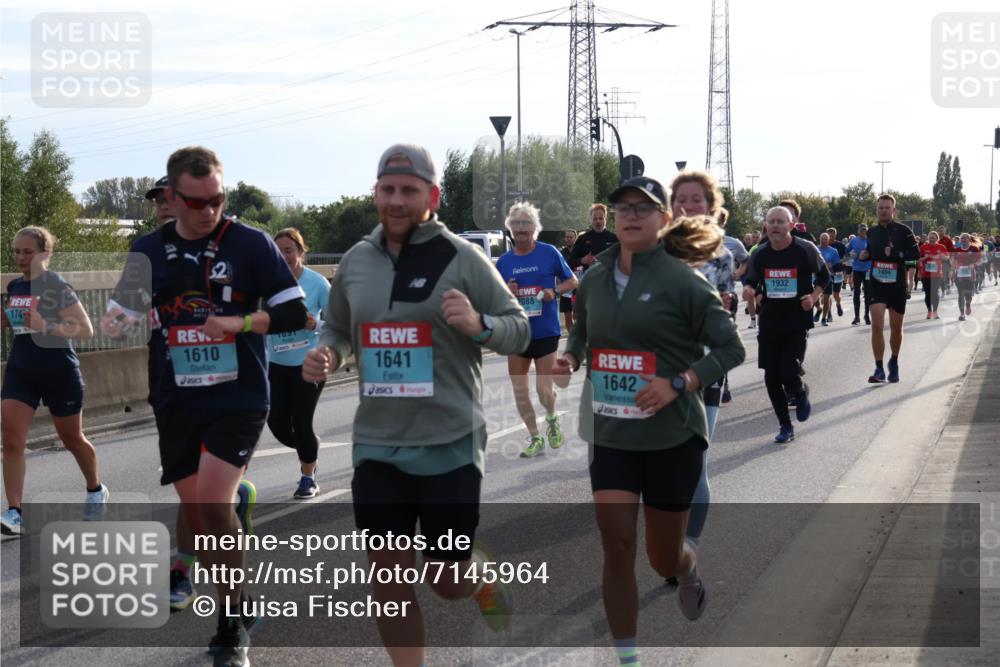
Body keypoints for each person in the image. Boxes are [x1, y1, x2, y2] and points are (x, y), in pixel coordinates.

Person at [302, 144, 530, 667]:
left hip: (450, 442)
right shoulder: (357, 260)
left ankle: (477, 576)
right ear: (375, 193)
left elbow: (519, 328)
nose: (397, 200)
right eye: (388, 189)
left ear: (433, 196)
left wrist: (479, 325)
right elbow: (338, 326)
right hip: (377, 444)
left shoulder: (463, 258)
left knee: (446, 581)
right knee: (388, 577)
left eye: (409, 190)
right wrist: (329, 353)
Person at [101, 146, 307, 667]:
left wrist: (240, 322)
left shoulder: (251, 243)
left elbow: (293, 314)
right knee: (200, 515)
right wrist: (120, 319)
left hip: (238, 394)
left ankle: (229, 626)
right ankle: (238, 599)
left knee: (214, 505)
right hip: (175, 396)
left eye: (218, 199)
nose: (210, 211)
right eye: (197, 202)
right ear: (172, 197)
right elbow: (121, 314)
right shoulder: (147, 250)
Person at [552, 176, 744, 667]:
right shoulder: (595, 278)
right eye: (623, 208)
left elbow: (730, 349)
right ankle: (628, 658)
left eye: (643, 208)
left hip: (671, 435)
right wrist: (570, 358)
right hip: (611, 432)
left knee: (664, 558)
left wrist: (679, 382)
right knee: (616, 546)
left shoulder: (684, 281)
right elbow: (583, 334)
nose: (631, 215)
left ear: (664, 218)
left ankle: (688, 570)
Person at [1, 227, 107, 536]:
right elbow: (12, 319)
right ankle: (15, 512)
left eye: (28, 251)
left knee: (72, 438)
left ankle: (96, 489)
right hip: (21, 370)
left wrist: (46, 325)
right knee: (11, 440)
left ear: (45, 254)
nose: (21, 257)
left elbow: (85, 329)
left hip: (58, 370)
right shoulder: (15, 286)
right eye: (17, 251)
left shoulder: (56, 285)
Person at [496, 202, 578, 458]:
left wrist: (554, 291)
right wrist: (506, 291)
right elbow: (494, 296)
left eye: (526, 223)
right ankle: (535, 437)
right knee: (520, 391)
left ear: (534, 227)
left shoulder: (549, 252)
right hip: (517, 333)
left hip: (544, 331)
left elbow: (572, 281)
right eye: (516, 224)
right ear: (511, 228)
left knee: (544, 391)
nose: (521, 228)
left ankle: (551, 418)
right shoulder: (504, 262)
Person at [742, 206, 829, 443]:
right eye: (771, 222)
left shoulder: (805, 249)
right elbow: (752, 280)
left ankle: (799, 392)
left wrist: (813, 297)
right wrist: (749, 289)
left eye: (781, 221)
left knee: (788, 372)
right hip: (770, 320)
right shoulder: (759, 253)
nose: (775, 226)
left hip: (796, 321)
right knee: (771, 378)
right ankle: (785, 426)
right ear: (766, 226)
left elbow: (824, 276)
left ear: (791, 225)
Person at [266, 228, 331, 498]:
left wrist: (316, 325)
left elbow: (340, 323)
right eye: (278, 251)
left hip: (309, 363)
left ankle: (308, 477)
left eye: (289, 250)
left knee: (302, 422)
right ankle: (309, 447)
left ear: (301, 252)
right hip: (276, 364)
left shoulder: (317, 283)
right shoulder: (266, 283)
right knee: (277, 424)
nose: (284, 256)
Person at [859, 194, 919, 384]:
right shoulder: (872, 232)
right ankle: (878, 368)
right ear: (876, 210)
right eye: (880, 208)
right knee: (876, 325)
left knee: (896, 327)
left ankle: (894, 361)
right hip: (877, 283)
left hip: (897, 284)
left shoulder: (904, 231)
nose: (883, 211)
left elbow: (915, 254)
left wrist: (896, 253)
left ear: (893, 210)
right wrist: (866, 254)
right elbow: (872, 251)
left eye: (887, 207)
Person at [570, 203, 618, 274]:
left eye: (601, 218)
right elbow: (570, 261)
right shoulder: (582, 239)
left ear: (605, 219)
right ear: (591, 220)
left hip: (609, 278)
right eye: (595, 219)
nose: (598, 221)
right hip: (588, 277)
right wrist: (582, 260)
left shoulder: (614, 239)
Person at [918, 231, 947, 319]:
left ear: (937, 239)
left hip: (937, 274)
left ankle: (935, 311)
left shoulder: (941, 247)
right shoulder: (923, 247)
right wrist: (925, 257)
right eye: (930, 238)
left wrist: (941, 256)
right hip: (926, 274)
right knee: (928, 293)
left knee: (935, 292)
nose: (931, 239)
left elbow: (947, 258)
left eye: (933, 238)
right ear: (928, 238)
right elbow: (918, 259)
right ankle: (929, 311)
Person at [952, 233, 978, 320]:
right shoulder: (957, 249)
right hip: (959, 275)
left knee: (968, 294)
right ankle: (962, 314)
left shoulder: (974, 248)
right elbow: (954, 261)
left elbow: (979, 260)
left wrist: (973, 264)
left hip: (970, 275)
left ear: (969, 239)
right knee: (960, 294)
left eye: (965, 238)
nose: (963, 240)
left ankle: (968, 304)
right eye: (962, 238)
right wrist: (952, 271)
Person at [817, 233, 841, 326]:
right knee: (816, 298)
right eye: (822, 239)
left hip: (828, 276)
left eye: (825, 239)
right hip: (817, 276)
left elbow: (837, 264)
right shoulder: (815, 249)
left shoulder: (833, 251)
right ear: (820, 239)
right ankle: (819, 309)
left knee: (826, 298)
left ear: (828, 240)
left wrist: (832, 265)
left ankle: (824, 318)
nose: (823, 241)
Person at [559, 229, 580, 332]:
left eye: (571, 237)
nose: (568, 239)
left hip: (578, 288)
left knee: (578, 317)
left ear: (575, 238)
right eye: (567, 237)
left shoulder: (581, 251)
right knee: (568, 319)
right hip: (566, 289)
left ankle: (581, 338)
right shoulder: (561, 253)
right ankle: (572, 339)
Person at [825, 227, 847, 317]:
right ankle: (829, 313)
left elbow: (847, 257)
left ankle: (838, 304)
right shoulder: (823, 246)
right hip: (826, 273)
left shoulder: (840, 245)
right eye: (829, 235)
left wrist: (841, 261)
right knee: (827, 294)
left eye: (832, 235)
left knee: (836, 294)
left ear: (835, 235)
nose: (831, 237)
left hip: (838, 272)